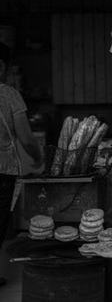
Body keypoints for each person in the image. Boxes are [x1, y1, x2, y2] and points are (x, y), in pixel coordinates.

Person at [0, 42, 42, 286]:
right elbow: (26, 137)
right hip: (2, 170)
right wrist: (37, 158)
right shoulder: (8, 95)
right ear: (2, 66)